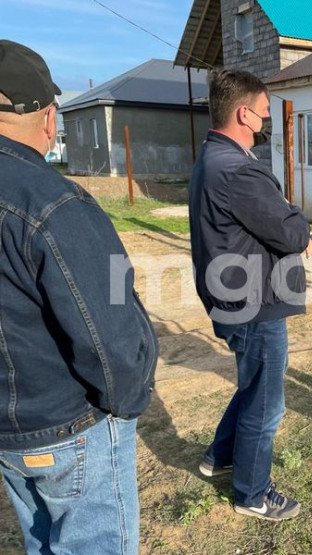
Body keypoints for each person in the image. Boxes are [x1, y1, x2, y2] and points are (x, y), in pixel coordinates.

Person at [0, 40, 158, 554]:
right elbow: (110, 323)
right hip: (67, 425)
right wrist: (127, 400)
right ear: (49, 118)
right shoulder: (57, 202)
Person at [189, 69, 312, 521]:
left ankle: (219, 457)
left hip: (234, 297)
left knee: (253, 386)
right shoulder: (240, 170)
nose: (266, 121)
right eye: (263, 112)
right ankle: (252, 494)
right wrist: (297, 218)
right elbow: (291, 231)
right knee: (266, 403)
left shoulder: (212, 158)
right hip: (253, 304)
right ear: (243, 113)